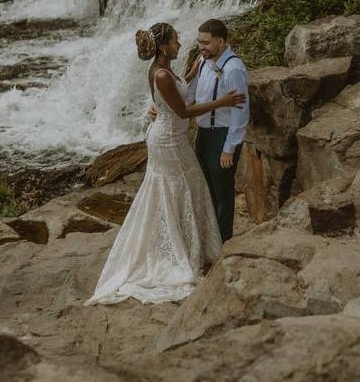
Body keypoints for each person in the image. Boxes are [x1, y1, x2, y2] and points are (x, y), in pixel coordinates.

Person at [85, 22, 246, 305]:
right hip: (168, 140)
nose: (181, 45)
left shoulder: (171, 70)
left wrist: (189, 76)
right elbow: (182, 110)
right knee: (176, 189)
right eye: (176, 41)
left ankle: (188, 243)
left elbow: (173, 93)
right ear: (163, 47)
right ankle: (175, 249)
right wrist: (222, 101)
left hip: (173, 137)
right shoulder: (161, 74)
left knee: (185, 188)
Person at [187, 19, 249, 242]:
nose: (201, 47)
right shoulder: (204, 62)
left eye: (206, 42)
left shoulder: (234, 69)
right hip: (203, 134)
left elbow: (241, 113)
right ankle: (211, 241)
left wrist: (229, 148)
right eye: (199, 42)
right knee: (207, 191)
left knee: (223, 194)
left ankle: (224, 243)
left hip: (222, 136)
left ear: (221, 42)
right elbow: (192, 93)